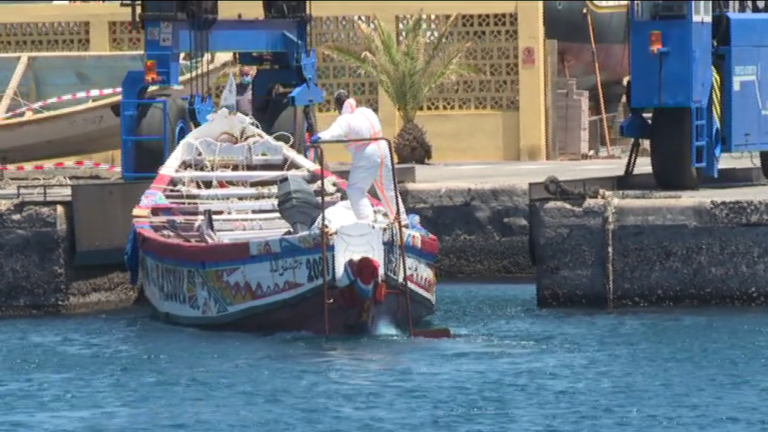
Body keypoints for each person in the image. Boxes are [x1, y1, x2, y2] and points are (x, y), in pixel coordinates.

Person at [310, 90, 406, 223]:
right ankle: (402, 222)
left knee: (356, 190)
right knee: (388, 188)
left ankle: (367, 223)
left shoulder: (345, 120)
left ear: (338, 106)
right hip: (383, 147)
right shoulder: (367, 111)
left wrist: (319, 137)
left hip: (367, 153)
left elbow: (333, 133)